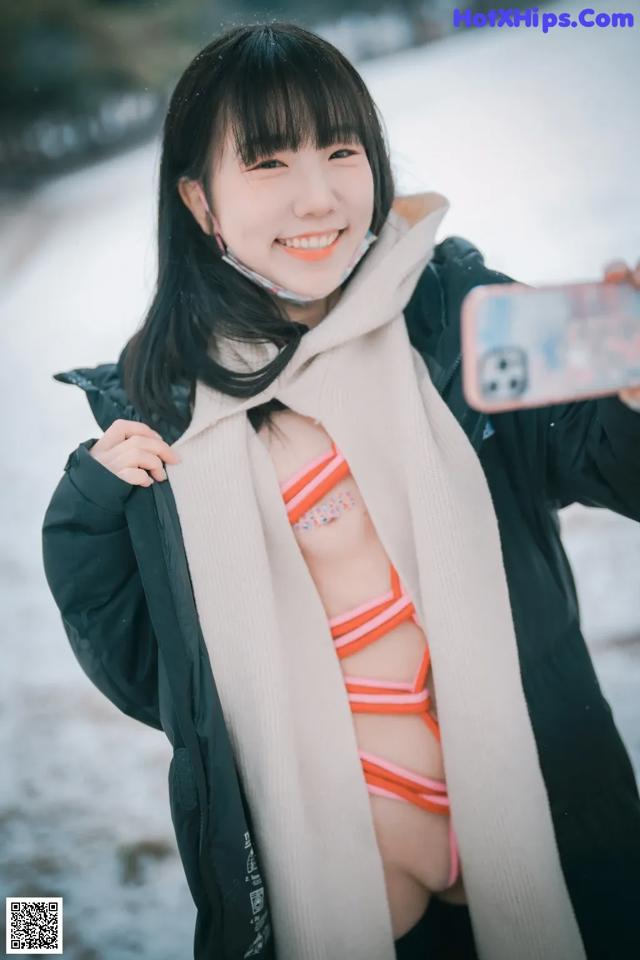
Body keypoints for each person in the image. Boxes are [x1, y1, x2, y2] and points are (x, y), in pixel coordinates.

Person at [41, 21, 640, 960]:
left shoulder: (446, 310)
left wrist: (632, 397)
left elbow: (603, 458)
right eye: (269, 162)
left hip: (538, 793)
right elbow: (156, 676)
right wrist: (90, 506)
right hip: (342, 848)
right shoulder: (164, 412)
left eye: (341, 150)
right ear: (200, 201)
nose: (316, 196)